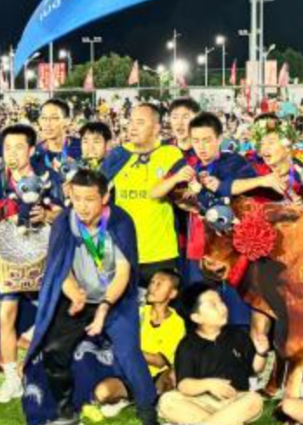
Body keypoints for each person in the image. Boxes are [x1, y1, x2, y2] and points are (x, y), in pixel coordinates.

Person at [21, 169, 159, 425]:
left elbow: (123, 272)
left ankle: (147, 407)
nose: (82, 206)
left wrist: (105, 307)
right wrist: (75, 294)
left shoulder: (120, 222)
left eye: (89, 199)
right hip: (79, 298)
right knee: (53, 349)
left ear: (105, 198)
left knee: (129, 352)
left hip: (115, 299)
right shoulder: (64, 222)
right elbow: (60, 268)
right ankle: (65, 410)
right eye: (76, 199)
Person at [0, 123, 65, 403]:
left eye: (19, 147)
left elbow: (66, 214)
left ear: (32, 150)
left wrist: (46, 216)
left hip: (44, 258)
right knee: (6, 314)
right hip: (8, 260)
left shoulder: (49, 178)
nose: (12, 153)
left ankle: (49, 374)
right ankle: (12, 380)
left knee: (51, 316)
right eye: (7, 147)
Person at [81, 268, 186, 422]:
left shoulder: (177, 323)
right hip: (130, 372)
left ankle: (158, 404)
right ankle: (126, 399)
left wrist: (129, 351)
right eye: (152, 282)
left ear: (172, 294)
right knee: (102, 392)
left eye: (160, 284)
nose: (152, 287)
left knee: (173, 376)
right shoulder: (138, 312)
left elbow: (160, 361)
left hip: (156, 377)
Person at [158, 284, 267, 425]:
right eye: (213, 305)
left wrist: (261, 352)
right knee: (167, 401)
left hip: (234, 401)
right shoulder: (187, 345)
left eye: (221, 302)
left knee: (254, 400)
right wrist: (209, 384)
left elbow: (256, 368)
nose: (222, 307)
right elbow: (184, 385)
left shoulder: (238, 335)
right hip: (200, 402)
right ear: (197, 317)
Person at [101, 103, 185, 279]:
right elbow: (98, 193)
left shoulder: (170, 154)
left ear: (156, 128)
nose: (132, 127)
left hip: (161, 253)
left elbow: (185, 193)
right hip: (123, 252)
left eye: (140, 122)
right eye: (131, 122)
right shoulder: (118, 156)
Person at [35, 99, 83, 172]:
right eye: (44, 118)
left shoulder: (82, 147)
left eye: (54, 118)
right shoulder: (35, 153)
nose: (47, 123)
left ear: (67, 121)